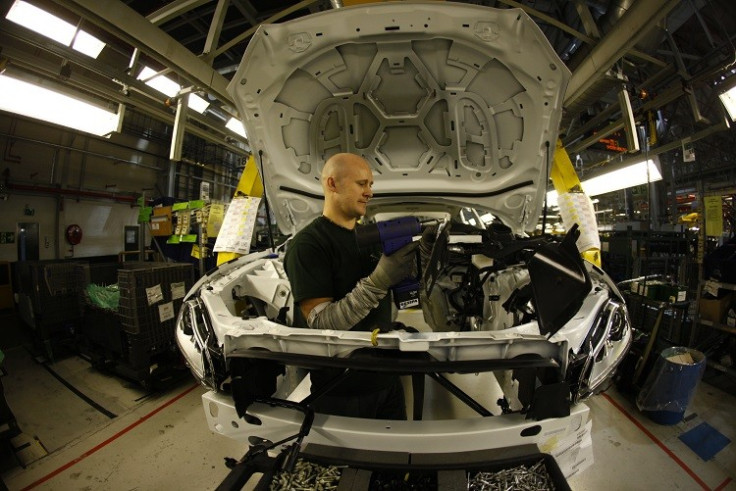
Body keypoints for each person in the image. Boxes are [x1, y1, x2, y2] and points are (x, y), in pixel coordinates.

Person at [283, 153, 419, 419]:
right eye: (361, 184)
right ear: (332, 184)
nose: (369, 192)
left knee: (396, 455)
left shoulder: (371, 236)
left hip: (386, 378)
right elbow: (322, 323)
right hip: (341, 390)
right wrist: (378, 281)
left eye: (371, 185)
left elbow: (396, 295)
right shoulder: (309, 244)